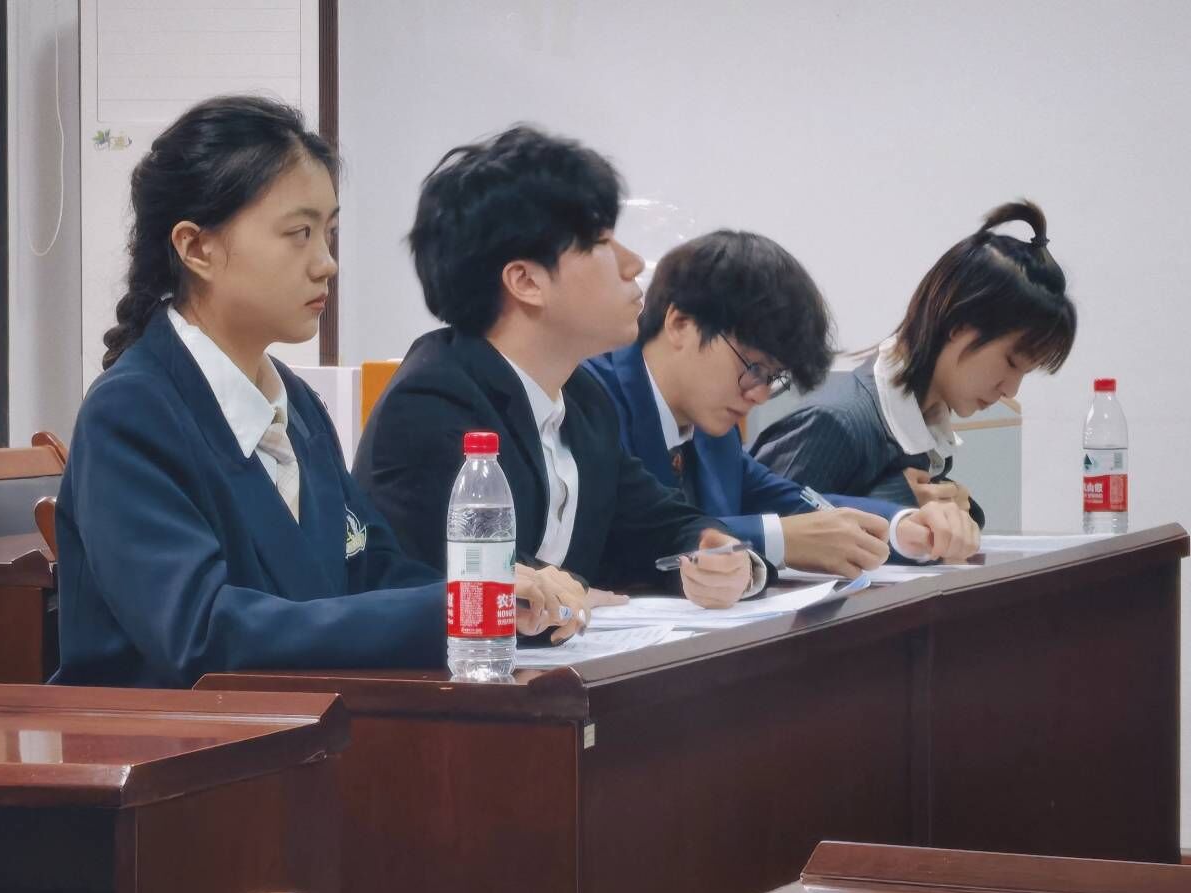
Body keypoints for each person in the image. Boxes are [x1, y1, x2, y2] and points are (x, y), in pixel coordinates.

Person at [54, 97, 584, 689]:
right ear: (196, 247)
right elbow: (200, 631)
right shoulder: (131, 413)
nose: (326, 263)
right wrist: (445, 610)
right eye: (298, 234)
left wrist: (497, 597)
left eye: (329, 233)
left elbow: (372, 571)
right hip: (171, 739)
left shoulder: (297, 403)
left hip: (301, 726)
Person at [354, 126, 762, 608]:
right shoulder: (431, 402)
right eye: (602, 243)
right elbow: (468, 572)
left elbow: (657, 524)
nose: (633, 264)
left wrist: (712, 550)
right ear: (526, 281)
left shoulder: (583, 399)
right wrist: (578, 595)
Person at [586, 230, 980, 576]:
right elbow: (618, 540)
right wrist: (778, 539)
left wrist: (903, 526)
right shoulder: (590, 399)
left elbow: (791, 500)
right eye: (753, 367)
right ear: (681, 324)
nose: (758, 395)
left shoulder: (711, 430)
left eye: (772, 377)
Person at [751, 202, 1076, 522]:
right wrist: (898, 503)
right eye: (1011, 362)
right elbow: (757, 535)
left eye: (1025, 373)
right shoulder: (838, 422)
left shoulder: (923, 427)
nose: (1011, 389)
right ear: (959, 326)